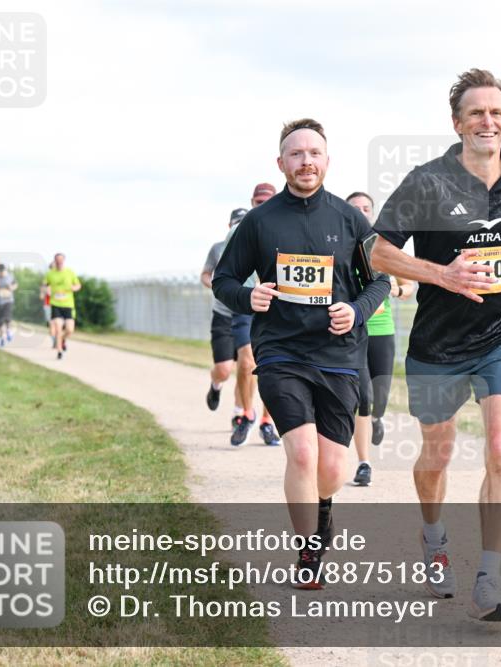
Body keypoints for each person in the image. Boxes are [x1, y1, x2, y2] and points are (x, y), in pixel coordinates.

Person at [371, 69, 501, 621]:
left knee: (500, 446)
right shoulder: (427, 182)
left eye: (496, 112)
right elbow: (376, 251)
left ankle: (489, 577)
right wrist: (441, 274)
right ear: (457, 123)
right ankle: (434, 536)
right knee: (438, 453)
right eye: (476, 112)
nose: (486, 121)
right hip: (438, 344)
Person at [213, 118, 390, 588]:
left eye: (314, 153)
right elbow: (224, 280)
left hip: (339, 356)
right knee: (303, 454)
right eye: (296, 154)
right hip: (281, 353)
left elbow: (380, 281)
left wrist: (356, 310)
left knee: (332, 469)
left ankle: (323, 506)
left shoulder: (351, 220)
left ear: (327, 161)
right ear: (281, 163)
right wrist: (247, 296)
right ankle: (308, 552)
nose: (306, 161)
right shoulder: (259, 222)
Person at [345, 191, 416, 487]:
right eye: (355, 208)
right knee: (364, 397)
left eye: (366, 208)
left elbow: (409, 286)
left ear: (373, 213)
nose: (361, 212)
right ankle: (364, 463)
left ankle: (377, 418)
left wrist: (394, 290)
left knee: (380, 396)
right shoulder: (339, 245)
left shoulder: (384, 248)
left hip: (382, 330)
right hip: (352, 332)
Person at [202, 206, 281, 446]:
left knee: (264, 366)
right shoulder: (221, 246)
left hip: (266, 308)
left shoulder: (272, 239)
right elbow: (208, 275)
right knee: (230, 368)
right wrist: (222, 288)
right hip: (229, 311)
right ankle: (235, 403)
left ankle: (259, 420)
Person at [226, 183, 284, 447]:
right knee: (246, 362)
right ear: (252, 203)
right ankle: (246, 414)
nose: (263, 206)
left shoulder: (286, 227)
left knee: (271, 365)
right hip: (247, 304)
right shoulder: (238, 231)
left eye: (268, 201)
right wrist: (243, 294)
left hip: (276, 305)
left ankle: (266, 422)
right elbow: (225, 274)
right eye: (259, 202)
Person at [43, 253, 81, 360]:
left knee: (70, 329)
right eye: (57, 260)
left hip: (68, 305)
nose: (59, 262)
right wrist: (47, 290)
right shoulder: (50, 274)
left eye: (61, 260)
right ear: (55, 261)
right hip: (56, 304)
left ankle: (63, 340)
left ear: (64, 261)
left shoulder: (70, 272)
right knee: (58, 328)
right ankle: (59, 351)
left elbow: (78, 285)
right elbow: (45, 285)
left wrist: (74, 288)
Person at [0, 264, 17, 346]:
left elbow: (15, 285)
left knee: (7, 318)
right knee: (0, 321)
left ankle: (8, 331)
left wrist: (11, 287)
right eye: (1, 271)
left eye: (3, 271)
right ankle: (2, 338)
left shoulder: (10, 276)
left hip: (8, 301)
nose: (2, 273)